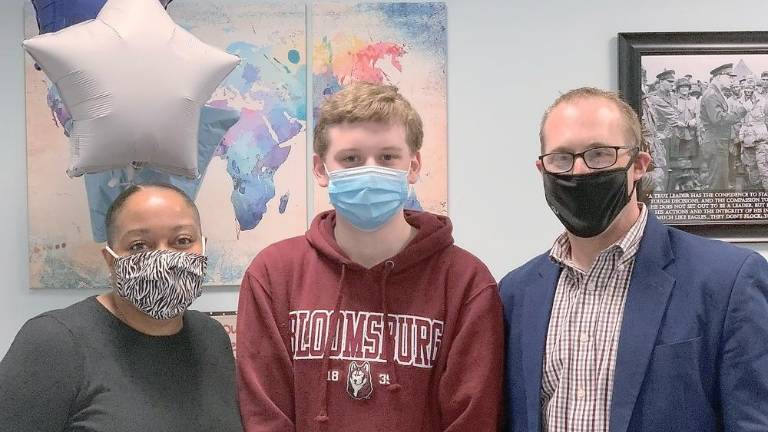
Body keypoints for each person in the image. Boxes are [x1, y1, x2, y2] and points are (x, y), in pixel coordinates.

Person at [236, 81, 503, 431]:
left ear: (413, 165)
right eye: (351, 159)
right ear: (320, 169)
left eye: (388, 157)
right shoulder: (272, 275)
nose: (370, 170)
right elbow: (264, 416)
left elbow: (474, 420)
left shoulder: (466, 282)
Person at [500, 87, 768, 432]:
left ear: (639, 164)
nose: (579, 171)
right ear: (542, 169)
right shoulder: (515, 294)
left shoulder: (729, 281)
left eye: (599, 154)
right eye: (562, 158)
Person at [0, 183, 243, 432]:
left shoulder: (211, 336)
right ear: (110, 260)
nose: (164, 257)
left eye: (182, 240)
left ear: (202, 246)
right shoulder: (55, 341)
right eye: (139, 246)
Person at [700, 63, 747, 190]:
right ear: (719, 77)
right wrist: (743, 110)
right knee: (718, 182)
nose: (732, 80)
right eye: (730, 77)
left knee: (721, 180)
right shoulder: (712, 95)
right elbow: (718, 119)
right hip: (716, 143)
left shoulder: (716, 93)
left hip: (719, 142)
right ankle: (716, 209)